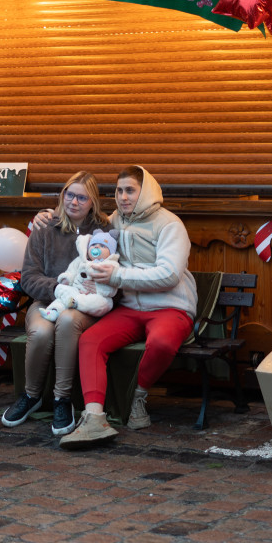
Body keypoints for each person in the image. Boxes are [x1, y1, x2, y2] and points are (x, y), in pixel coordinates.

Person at [59, 165, 197, 449]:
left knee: (160, 343)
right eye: (119, 190)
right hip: (130, 308)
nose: (123, 197)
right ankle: (94, 418)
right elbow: (82, 228)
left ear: (144, 191)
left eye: (130, 190)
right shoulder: (114, 222)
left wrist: (118, 276)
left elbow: (169, 274)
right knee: (90, 341)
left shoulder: (170, 224)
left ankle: (138, 397)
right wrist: (47, 216)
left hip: (170, 307)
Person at [2, 171, 109, 436]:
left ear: (92, 202)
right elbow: (28, 277)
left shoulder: (103, 231)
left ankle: (62, 400)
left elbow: (113, 270)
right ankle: (31, 395)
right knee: (40, 332)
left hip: (85, 303)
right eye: (69, 195)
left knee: (67, 320)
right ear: (62, 196)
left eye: (82, 197)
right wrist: (57, 288)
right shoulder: (45, 228)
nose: (74, 202)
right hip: (47, 300)